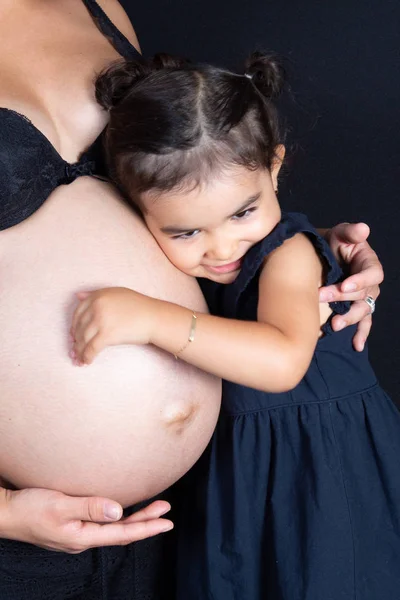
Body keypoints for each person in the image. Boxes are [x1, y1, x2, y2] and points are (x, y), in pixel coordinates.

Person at [0, 1, 382, 598]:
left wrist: (313, 260)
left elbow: (198, 183)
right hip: (27, 539)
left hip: (200, 508)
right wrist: (4, 513)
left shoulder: (96, 10)